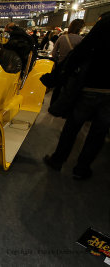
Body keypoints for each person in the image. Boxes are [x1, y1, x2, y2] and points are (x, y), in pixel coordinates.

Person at [43, 12, 110, 180]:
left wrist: (57, 78)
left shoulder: (99, 34)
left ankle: (58, 160)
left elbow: (76, 57)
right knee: (98, 133)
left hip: (89, 89)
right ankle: (81, 168)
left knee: (72, 126)